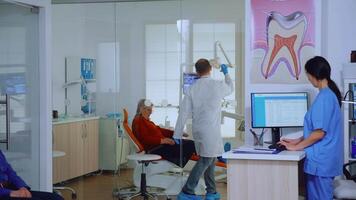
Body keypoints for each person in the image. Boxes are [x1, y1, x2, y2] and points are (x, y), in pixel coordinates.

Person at [279, 56, 343, 200]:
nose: (307, 78)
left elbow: (319, 133)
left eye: (307, 74)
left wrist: (296, 148)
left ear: (314, 75)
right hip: (323, 160)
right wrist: (296, 141)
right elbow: (316, 131)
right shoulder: (328, 95)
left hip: (321, 162)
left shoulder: (324, 98)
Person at [173, 58, 234, 200]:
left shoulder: (191, 88)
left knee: (210, 159)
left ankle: (211, 191)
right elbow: (230, 88)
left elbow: (183, 112)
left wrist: (177, 133)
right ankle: (187, 191)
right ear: (210, 69)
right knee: (206, 160)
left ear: (197, 71)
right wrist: (226, 73)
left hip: (198, 129)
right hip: (210, 130)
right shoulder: (216, 85)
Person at [132, 99, 196, 168]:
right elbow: (144, 139)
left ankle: (204, 158)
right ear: (141, 109)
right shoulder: (139, 121)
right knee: (190, 144)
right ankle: (204, 159)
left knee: (189, 144)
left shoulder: (146, 121)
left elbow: (160, 130)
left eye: (151, 110)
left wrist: (176, 133)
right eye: (148, 110)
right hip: (156, 149)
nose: (150, 112)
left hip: (160, 146)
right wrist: (162, 140)